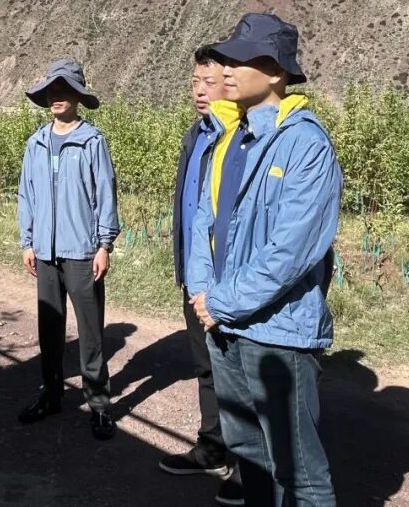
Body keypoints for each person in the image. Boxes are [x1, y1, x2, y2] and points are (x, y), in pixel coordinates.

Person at [187, 13, 342, 507]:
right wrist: (201, 291)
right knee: (248, 452)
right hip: (224, 324)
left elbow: (293, 249)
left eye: (241, 60)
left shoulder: (306, 145)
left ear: (276, 72)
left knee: (299, 472)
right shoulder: (230, 137)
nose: (227, 70)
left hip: (278, 330)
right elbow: (204, 220)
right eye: (226, 60)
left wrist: (221, 302)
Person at [16, 58, 119, 441]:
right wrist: (27, 241)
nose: (56, 96)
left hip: (82, 251)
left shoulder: (92, 141)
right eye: (51, 90)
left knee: (90, 332)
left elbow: (105, 194)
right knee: (49, 329)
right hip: (44, 252)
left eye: (64, 89)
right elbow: (26, 195)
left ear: (78, 96)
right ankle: (51, 394)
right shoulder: (36, 143)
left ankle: (99, 404)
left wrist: (104, 244)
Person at [160, 44, 244, 504]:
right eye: (194, 82)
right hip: (195, 277)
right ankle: (212, 448)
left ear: (230, 84)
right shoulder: (197, 134)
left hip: (228, 281)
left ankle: (248, 465)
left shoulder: (242, 137)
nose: (199, 91)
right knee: (206, 367)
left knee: (239, 374)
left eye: (208, 82)